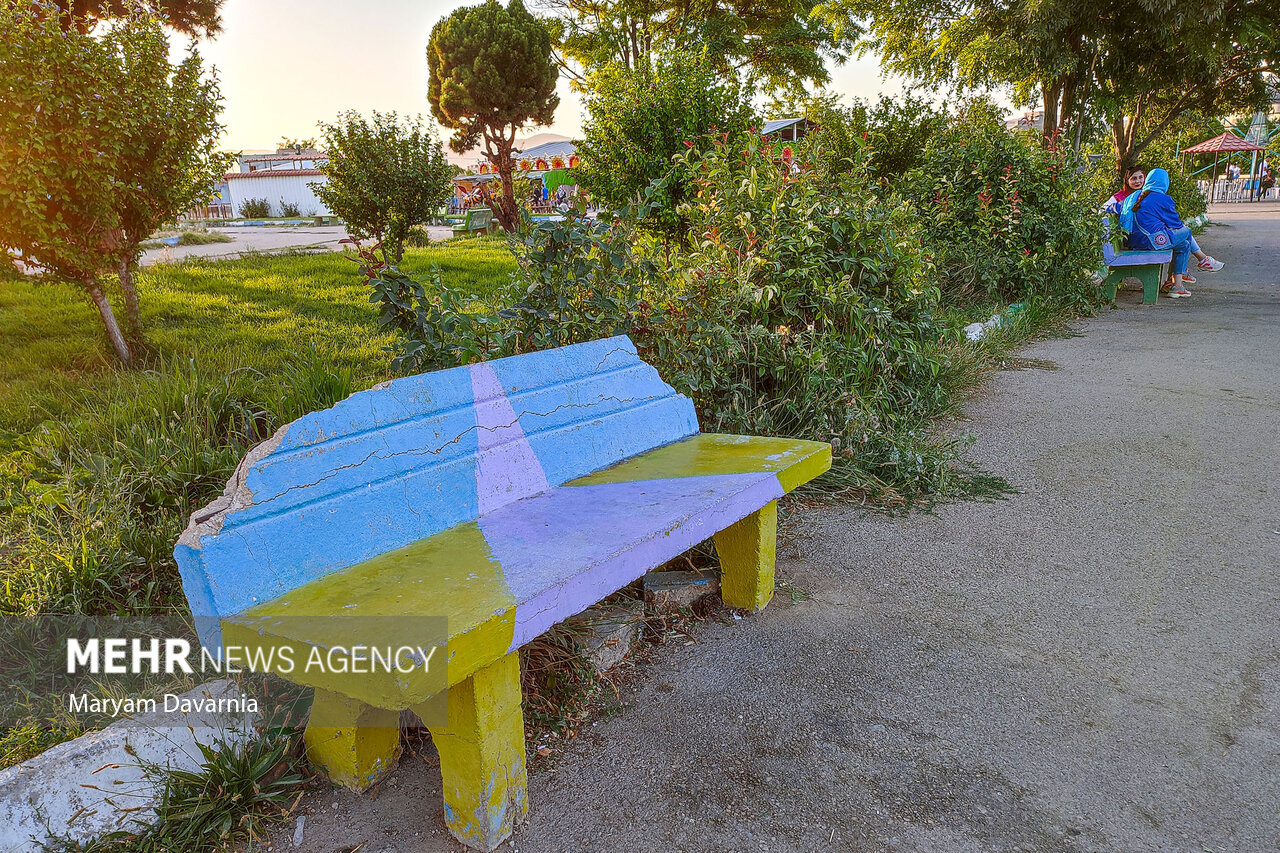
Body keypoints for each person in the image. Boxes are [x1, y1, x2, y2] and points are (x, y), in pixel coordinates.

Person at [1121, 168, 1202, 297]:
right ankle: (1202, 260)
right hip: (1150, 241)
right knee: (1187, 232)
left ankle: (1176, 286)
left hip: (1133, 241)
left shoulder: (1135, 196)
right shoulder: (1162, 198)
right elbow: (1176, 225)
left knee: (1184, 246)